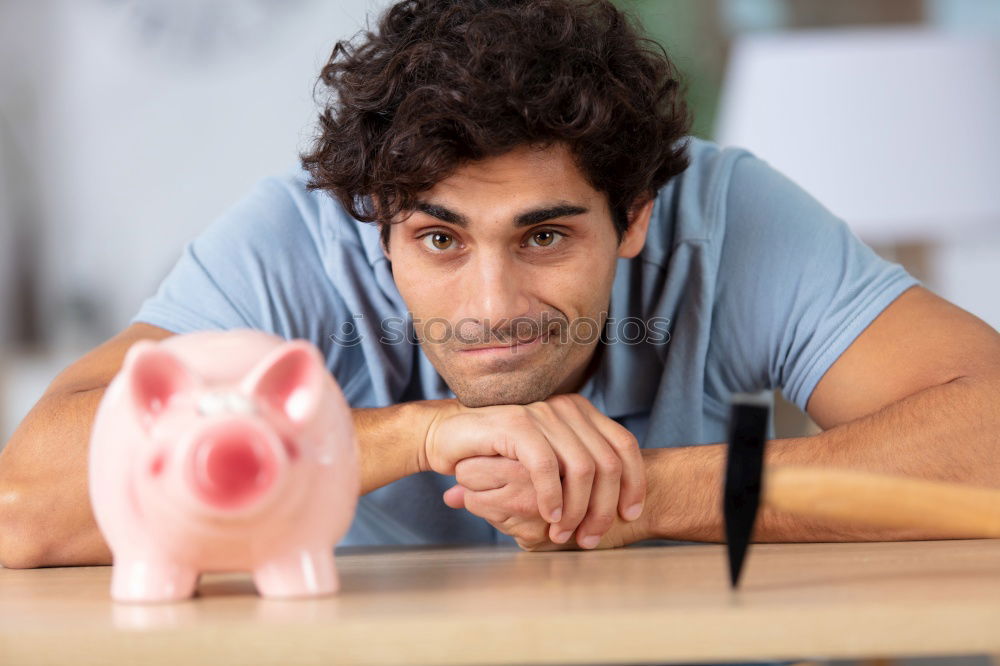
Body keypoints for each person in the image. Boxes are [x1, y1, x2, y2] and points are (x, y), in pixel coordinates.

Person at [1, 0, 998, 569]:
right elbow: (27, 506)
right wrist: (422, 433)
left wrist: (645, 494)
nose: (490, 307)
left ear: (637, 213)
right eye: (438, 239)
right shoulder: (291, 240)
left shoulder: (726, 215)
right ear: (374, 222)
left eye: (546, 235)